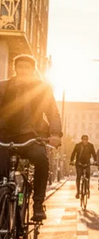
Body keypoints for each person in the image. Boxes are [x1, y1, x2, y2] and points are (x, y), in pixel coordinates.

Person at [0, 54, 62, 221]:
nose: (24, 71)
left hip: (31, 137)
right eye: (20, 67)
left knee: (41, 160)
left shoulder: (42, 89)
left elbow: (53, 113)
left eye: (27, 68)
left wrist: (55, 134)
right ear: (15, 69)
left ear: (33, 70)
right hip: (4, 136)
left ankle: (38, 203)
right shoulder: (3, 87)